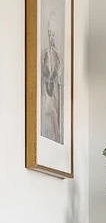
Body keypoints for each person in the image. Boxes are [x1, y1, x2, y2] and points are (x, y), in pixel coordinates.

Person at [41, 10, 63, 143]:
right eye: (49, 35)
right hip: (46, 92)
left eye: (53, 35)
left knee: (54, 117)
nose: (51, 38)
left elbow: (58, 74)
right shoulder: (45, 54)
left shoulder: (58, 57)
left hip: (54, 93)